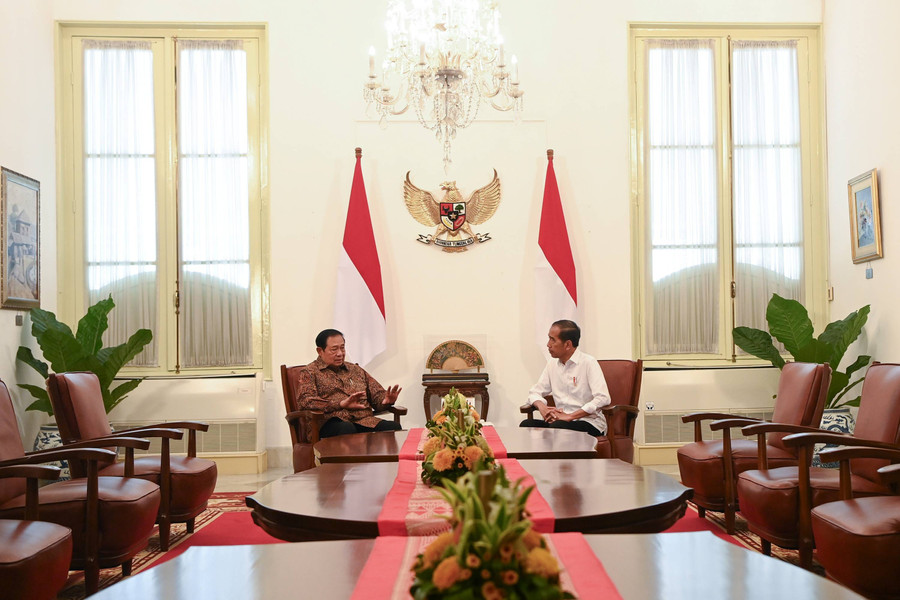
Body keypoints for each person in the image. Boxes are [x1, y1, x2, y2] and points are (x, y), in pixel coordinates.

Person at [295, 328, 403, 439]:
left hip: (363, 420)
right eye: (334, 349)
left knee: (392, 427)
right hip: (329, 423)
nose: (340, 353)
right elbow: (306, 401)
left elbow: (376, 394)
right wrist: (340, 404)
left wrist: (385, 400)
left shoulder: (355, 369)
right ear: (320, 351)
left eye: (342, 348)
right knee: (347, 428)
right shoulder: (309, 372)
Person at [520, 320, 611, 436]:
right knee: (527, 425)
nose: (548, 344)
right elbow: (534, 393)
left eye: (552, 340)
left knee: (558, 427)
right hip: (559, 422)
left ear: (567, 344)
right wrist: (543, 408)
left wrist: (570, 416)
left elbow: (603, 398)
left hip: (588, 422)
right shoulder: (552, 364)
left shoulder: (588, 363)